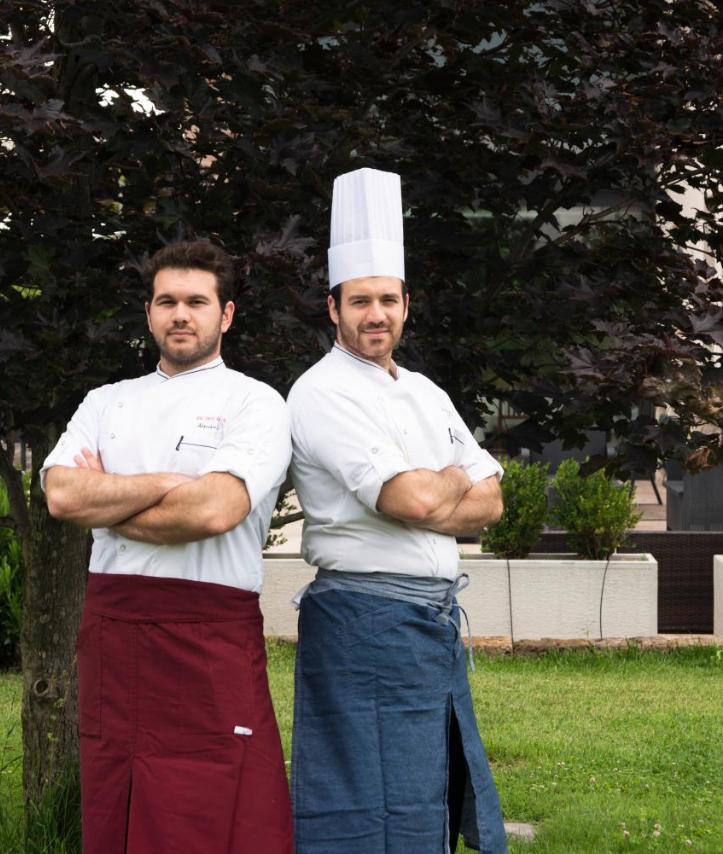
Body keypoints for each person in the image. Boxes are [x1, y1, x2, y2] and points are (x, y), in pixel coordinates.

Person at [41, 240, 293, 854]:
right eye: (167, 302)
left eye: (197, 302)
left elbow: (214, 510)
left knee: (217, 798)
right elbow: (62, 497)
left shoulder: (255, 402)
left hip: (209, 634)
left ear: (225, 315)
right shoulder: (106, 401)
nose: (181, 314)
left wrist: (111, 504)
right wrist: (163, 486)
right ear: (150, 313)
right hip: (114, 629)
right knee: (116, 789)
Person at [288, 168, 509, 853]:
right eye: (359, 301)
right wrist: (450, 476)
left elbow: (492, 502)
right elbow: (412, 498)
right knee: (363, 798)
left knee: (425, 792)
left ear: (407, 304)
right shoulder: (321, 393)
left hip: (429, 623)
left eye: (387, 299)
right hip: (363, 622)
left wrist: (430, 492)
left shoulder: (423, 391)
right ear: (333, 308)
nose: (375, 314)